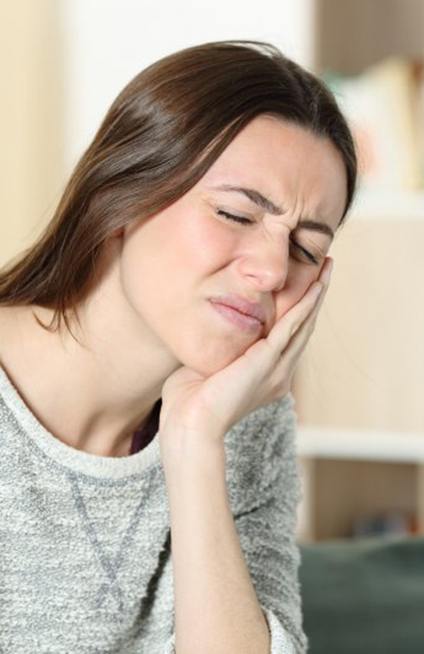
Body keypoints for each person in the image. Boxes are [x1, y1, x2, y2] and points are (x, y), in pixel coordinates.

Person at [0, 40, 357, 653]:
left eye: (306, 249)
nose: (273, 270)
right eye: (235, 214)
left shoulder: (241, 419)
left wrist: (195, 443)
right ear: (122, 193)